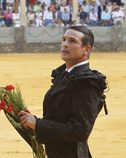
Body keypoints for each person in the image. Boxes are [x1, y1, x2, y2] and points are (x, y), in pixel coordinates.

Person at [18, 25, 108, 158]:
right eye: (64, 39)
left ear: (86, 49)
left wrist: (38, 125)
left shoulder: (87, 83)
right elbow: (58, 117)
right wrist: (32, 121)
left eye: (72, 41)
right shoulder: (64, 75)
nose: (65, 44)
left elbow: (80, 130)